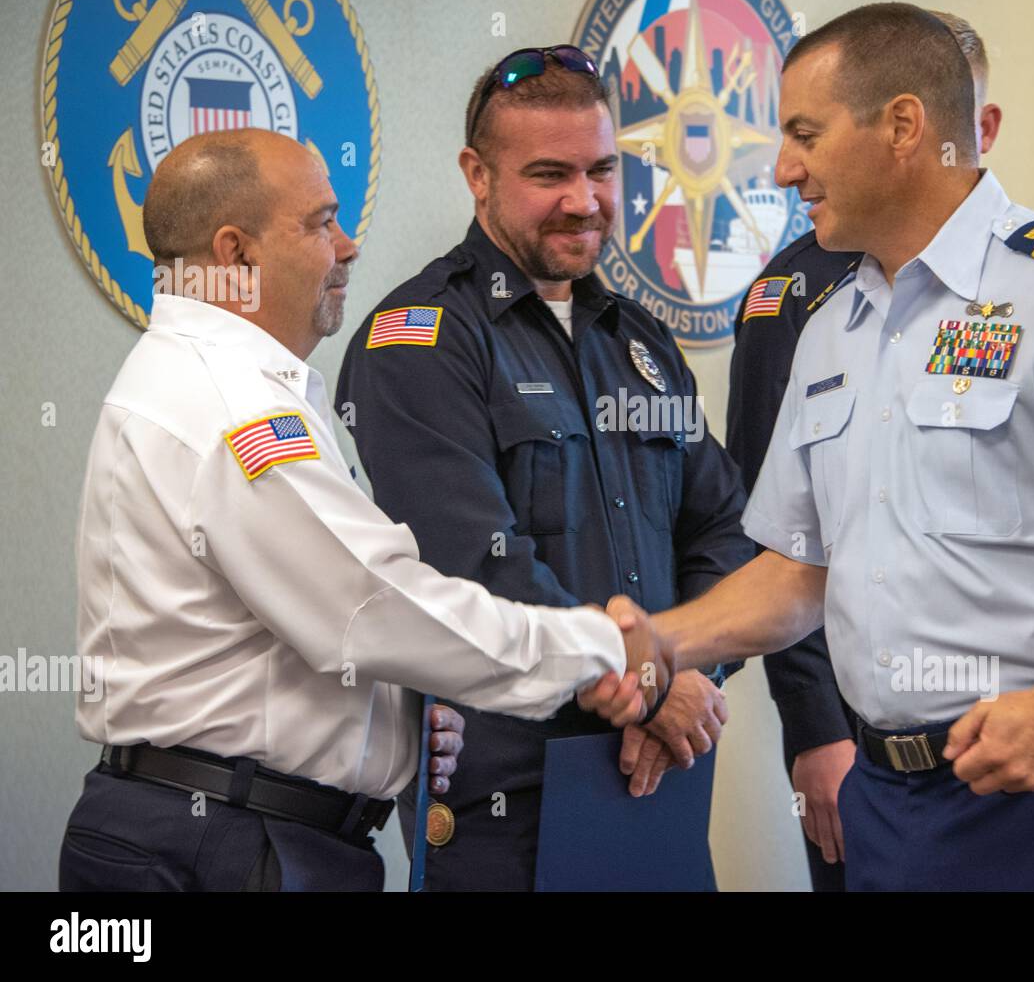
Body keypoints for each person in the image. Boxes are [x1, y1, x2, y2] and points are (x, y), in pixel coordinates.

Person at [604, 2, 1034, 892]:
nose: (784, 167)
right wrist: (663, 638)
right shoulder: (833, 326)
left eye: (805, 133)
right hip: (889, 806)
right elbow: (801, 570)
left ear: (903, 127)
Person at [59, 128, 647, 893]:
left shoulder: (230, 384)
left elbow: (285, 633)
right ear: (236, 256)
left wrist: (390, 716)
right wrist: (604, 646)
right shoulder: (229, 406)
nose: (348, 244)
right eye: (319, 223)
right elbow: (372, 609)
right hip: (222, 843)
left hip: (239, 829)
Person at [336, 46, 748, 892]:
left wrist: (687, 669)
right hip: (508, 799)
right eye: (549, 174)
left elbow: (723, 524)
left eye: (602, 170)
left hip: (659, 770)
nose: (585, 200)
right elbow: (471, 560)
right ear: (476, 175)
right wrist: (635, 678)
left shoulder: (642, 341)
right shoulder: (419, 339)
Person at [725, 10, 1002, 890]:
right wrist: (816, 729)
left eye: (806, 134)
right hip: (870, 749)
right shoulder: (806, 304)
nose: (786, 168)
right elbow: (788, 549)